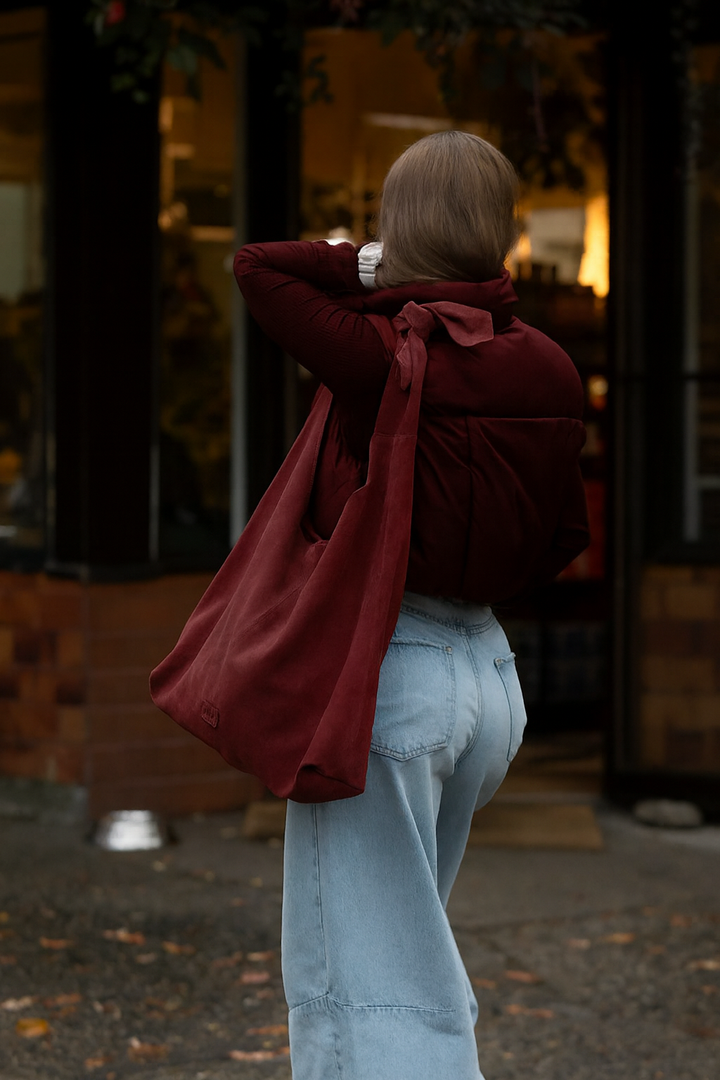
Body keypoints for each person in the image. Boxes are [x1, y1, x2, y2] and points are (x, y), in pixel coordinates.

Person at [233, 130, 589, 1080]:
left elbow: (259, 267)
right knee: (405, 950)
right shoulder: (551, 367)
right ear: (498, 229)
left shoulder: (380, 354)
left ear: (405, 229)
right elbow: (565, 538)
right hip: (489, 683)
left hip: (390, 681)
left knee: (368, 987)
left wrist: (364, 261)